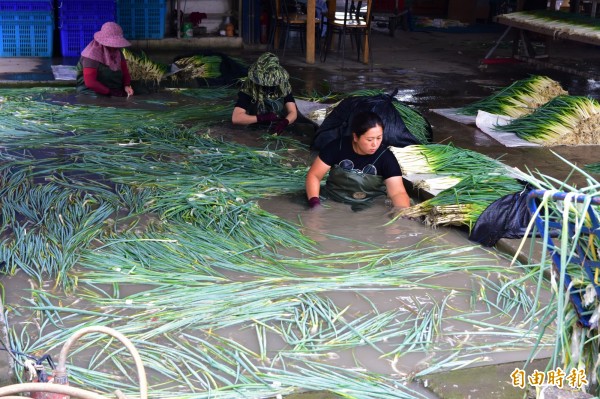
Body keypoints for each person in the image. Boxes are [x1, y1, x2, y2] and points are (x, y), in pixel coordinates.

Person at [305, 111, 410, 211]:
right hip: (333, 200)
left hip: (371, 205)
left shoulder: (386, 157)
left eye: (379, 138)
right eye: (369, 139)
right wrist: (315, 204)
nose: (375, 144)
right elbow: (314, 175)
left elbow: (398, 193)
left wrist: (402, 213)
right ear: (355, 137)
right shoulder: (337, 147)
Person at [231, 52, 298, 135]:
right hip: (255, 124)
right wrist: (261, 118)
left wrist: (285, 122)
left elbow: (293, 112)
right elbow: (236, 118)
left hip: (277, 123)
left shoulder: (283, 84)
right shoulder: (249, 86)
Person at [76, 22, 134, 98]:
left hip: (111, 87)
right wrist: (109, 92)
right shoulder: (91, 55)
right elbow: (90, 82)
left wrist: (126, 85)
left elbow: (124, 71)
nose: (116, 47)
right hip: (91, 91)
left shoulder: (117, 53)